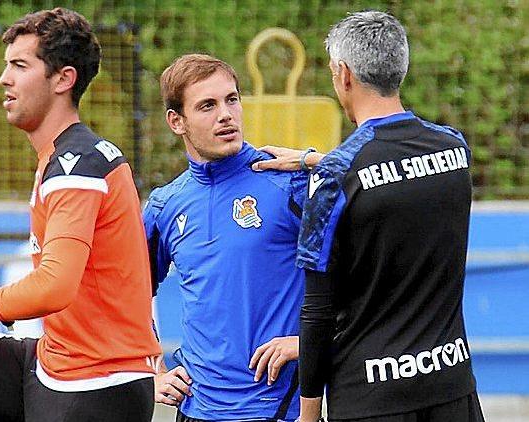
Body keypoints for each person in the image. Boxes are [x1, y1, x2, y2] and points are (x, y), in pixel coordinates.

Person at [0, 8, 161, 422]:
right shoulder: (63, 157)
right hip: (53, 363)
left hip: (95, 384)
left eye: (20, 65)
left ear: (63, 79)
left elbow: (55, 286)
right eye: (7, 66)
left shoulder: (78, 165)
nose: (5, 79)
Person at [255, 10, 484, 422]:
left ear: (343, 74)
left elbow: (317, 310)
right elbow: (396, 172)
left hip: (370, 398)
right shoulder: (454, 151)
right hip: (452, 388)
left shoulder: (336, 180)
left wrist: (308, 416)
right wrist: (317, 161)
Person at [143, 54, 308, 421]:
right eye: (207, 106)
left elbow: (360, 275)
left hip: (277, 410)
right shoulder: (165, 205)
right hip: (195, 409)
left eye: (231, 99)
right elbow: (128, 294)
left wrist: (308, 343)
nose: (225, 115)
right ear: (176, 121)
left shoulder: (289, 182)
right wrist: (151, 370)